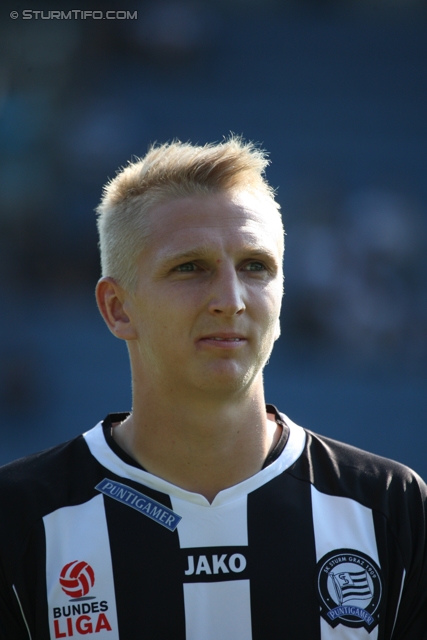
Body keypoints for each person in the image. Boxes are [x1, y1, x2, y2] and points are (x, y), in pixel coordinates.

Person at [0, 138, 426, 640]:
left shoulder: (390, 509)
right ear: (117, 308)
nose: (231, 299)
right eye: (190, 267)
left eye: (256, 267)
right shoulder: (20, 518)